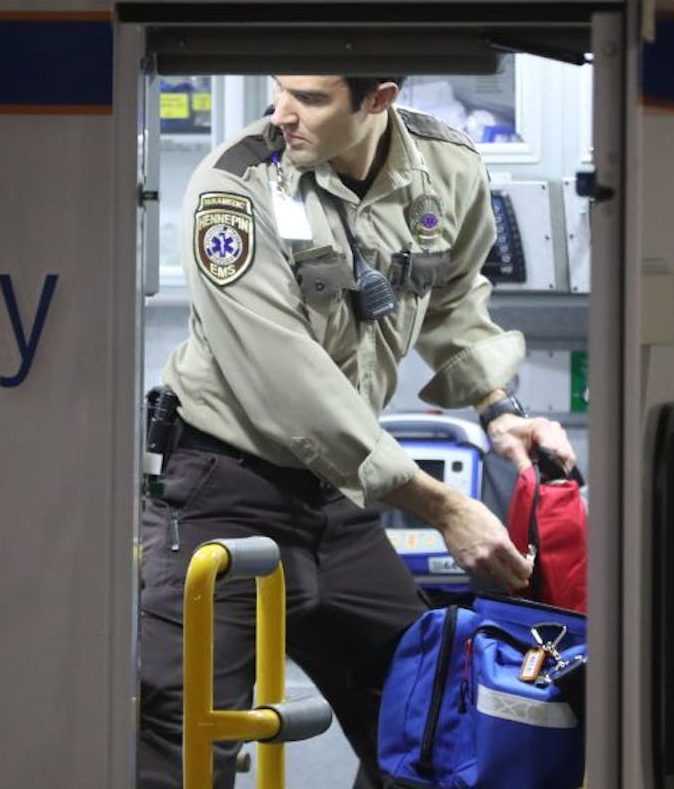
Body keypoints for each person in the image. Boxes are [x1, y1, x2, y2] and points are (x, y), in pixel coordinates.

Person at [138, 75, 577, 789]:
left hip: (335, 497)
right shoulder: (237, 185)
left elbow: (455, 296)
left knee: (431, 717)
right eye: (280, 88)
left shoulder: (446, 167)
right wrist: (441, 506)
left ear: (379, 99)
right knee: (181, 743)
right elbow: (288, 381)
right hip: (224, 486)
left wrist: (497, 406)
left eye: (310, 98)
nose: (282, 112)